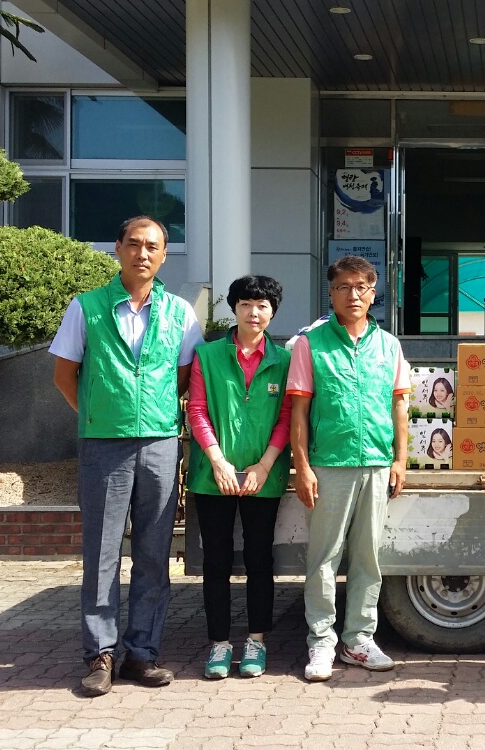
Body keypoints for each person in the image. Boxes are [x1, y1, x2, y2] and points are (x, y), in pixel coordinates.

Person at [51, 215, 203, 697]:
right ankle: (100, 654)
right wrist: (99, 413)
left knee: (155, 555)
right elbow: (64, 374)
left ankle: (142, 653)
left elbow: (184, 376)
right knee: (100, 552)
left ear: (163, 255)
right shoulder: (86, 307)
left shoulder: (181, 313)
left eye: (152, 246)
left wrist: (150, 414)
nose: (142, 253)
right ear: (117, 249)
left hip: (159, 442)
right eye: (133, 244)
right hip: (103, 444)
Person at [287, 255, 411, 682]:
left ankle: (358, 640)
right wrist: (301, 467)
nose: (353, 294)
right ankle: (321, 642)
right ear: (332, 292)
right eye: (344, 287)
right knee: (323, 558)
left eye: (361, 287)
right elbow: (298, 411)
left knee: (367, 558)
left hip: (376, 464)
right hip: (329, 465)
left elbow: (399, 405)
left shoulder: (388, 345)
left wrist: (400, 458)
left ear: (373, 293)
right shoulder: (310, 343)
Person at [186, 275, 293, 681]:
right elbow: (197, 409)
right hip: (215, 475)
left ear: (272, 312)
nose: (254, 312)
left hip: (263, 476)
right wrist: (217, 460)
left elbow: (286, 417)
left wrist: (265, 465)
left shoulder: (283, 361)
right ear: (234, 308)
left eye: (263, 305)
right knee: (215, 561)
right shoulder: (208, 355)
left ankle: (256, 641)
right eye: (247, 304)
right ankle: (218, 643)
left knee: (259, 559)